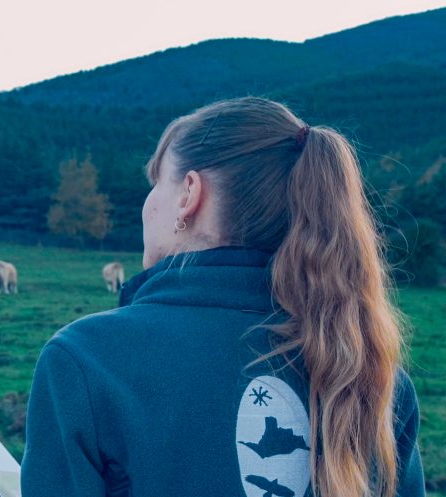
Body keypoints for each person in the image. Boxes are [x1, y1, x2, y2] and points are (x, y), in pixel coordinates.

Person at [22, 97, 424, 497]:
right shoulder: (370, 375)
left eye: (156, 183)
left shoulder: (86, 361)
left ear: (188, 195)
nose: (148, 204)